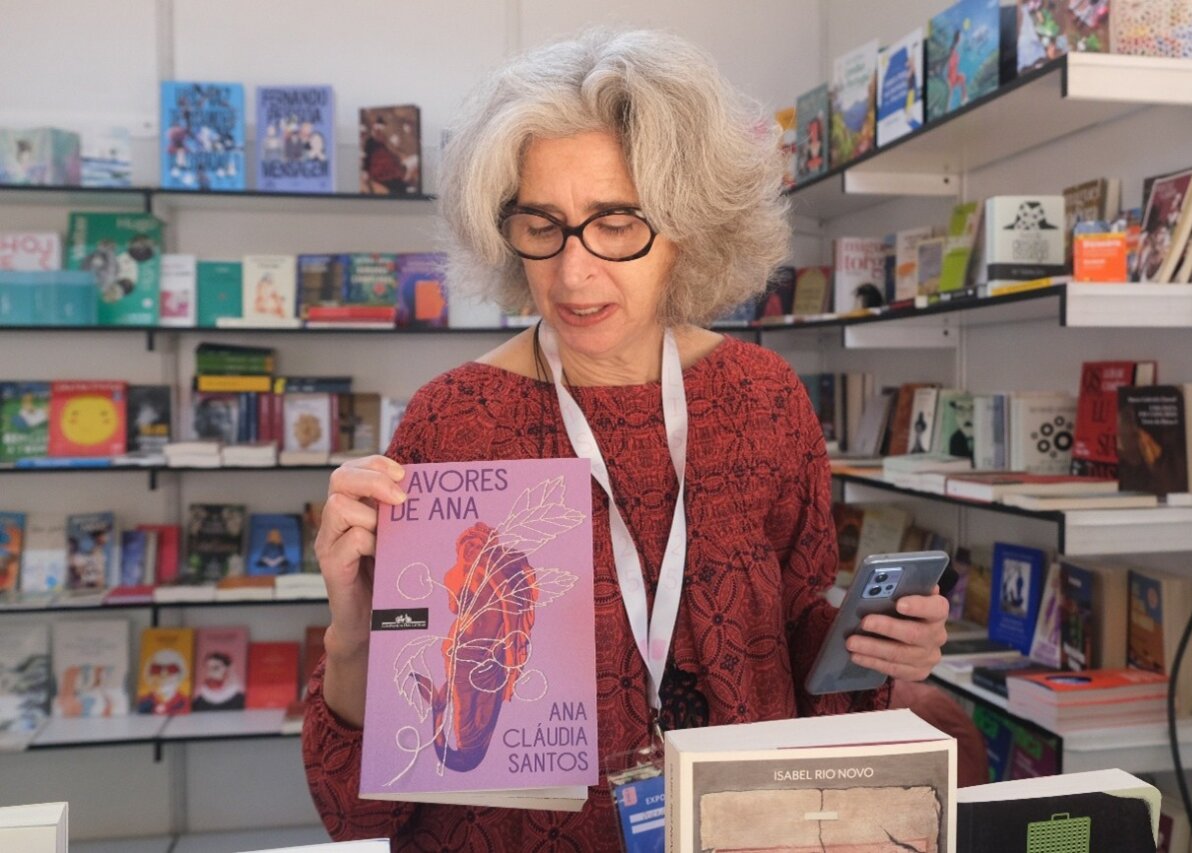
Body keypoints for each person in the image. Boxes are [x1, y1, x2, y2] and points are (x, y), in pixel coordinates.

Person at [304, 29, 949, 851]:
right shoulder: (452, 422)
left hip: (739, 827)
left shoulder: (765, 400)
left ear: (689, 224)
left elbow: (791, 635)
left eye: (616, 224)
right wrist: (354, 628)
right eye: (542, 224)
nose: (572, 273)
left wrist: (881, 646)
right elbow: (357, 809)